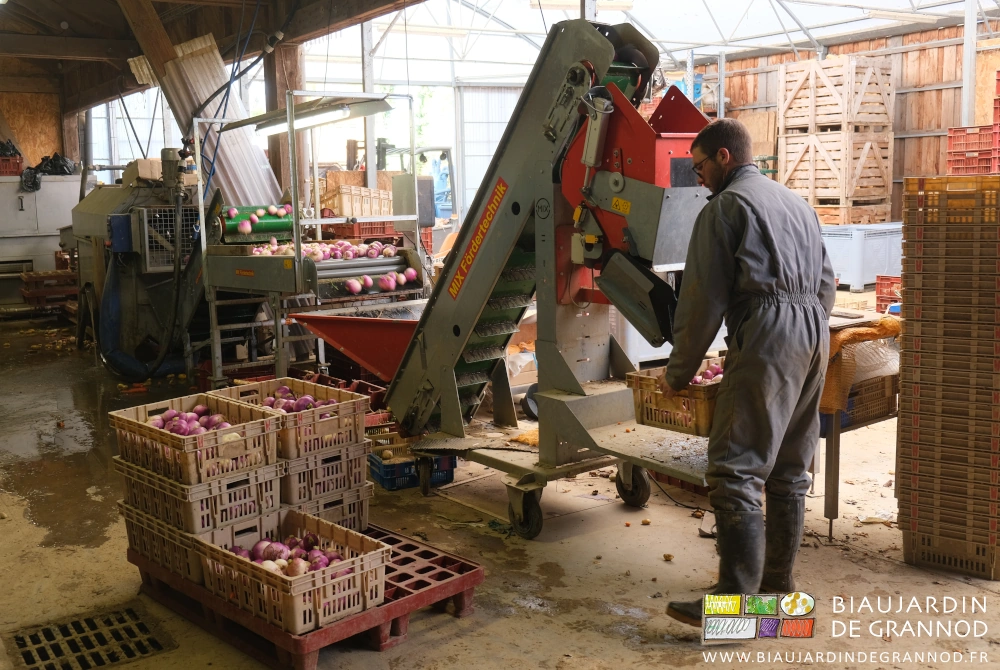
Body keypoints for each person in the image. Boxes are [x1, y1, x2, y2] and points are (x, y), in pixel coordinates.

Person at [659, 118, 836, 627]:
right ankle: (776, 591)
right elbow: (827, 282)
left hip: (769, 333)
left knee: (735, 468)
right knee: (789, 469)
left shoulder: (726, 208)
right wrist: (805, 334)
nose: (698, 178)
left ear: (724, 157)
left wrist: (678, 372)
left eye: (699, 167)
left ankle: (735, 608)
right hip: (814, 334)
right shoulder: (796, 203)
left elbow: (701, 301)